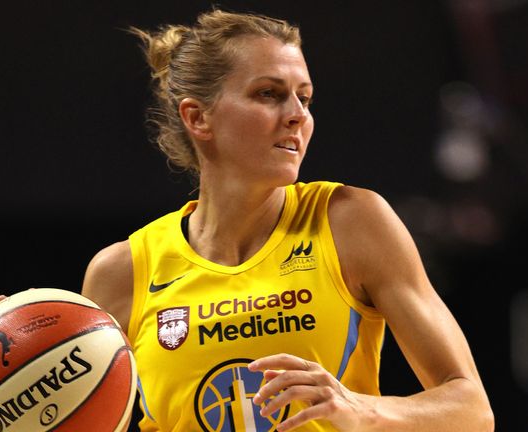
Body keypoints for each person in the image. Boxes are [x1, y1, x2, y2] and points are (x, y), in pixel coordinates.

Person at [81, 9, 494, 432]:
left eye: (305, 97)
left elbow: (471, 409)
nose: (297, 114)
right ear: (197, 117)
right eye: (269, 94)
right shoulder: (122, 272)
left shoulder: (349, 222)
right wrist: (19, 355)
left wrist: (360, 409)